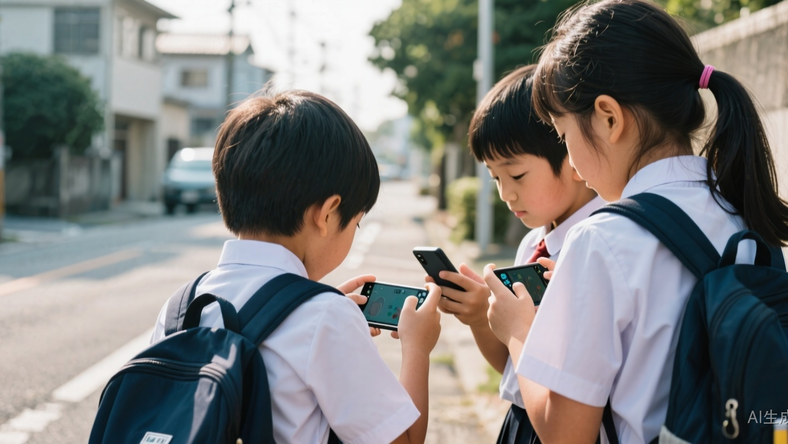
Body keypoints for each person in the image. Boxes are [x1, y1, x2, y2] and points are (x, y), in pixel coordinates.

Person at [483, 1, 788, 443]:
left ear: (609, 117)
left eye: (564, 135)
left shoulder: (602, 240)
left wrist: (517, 332)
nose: (571, 160)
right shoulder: (745, 211)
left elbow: (566, 435)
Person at [150, 90, 443, 444]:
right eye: (356, 223)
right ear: (328, 214)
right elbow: (404, 440)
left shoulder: (178, 308)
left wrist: (309, 307)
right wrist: (417, 347)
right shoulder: (326, 318)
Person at [431, 64, 602, 443]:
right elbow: (514, 369)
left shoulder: (596, 248)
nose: (506, 193)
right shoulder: (532, 244)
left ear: (573, 154)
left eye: (517, 175)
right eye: (495, 177)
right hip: (522, 422)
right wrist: (481, 318)